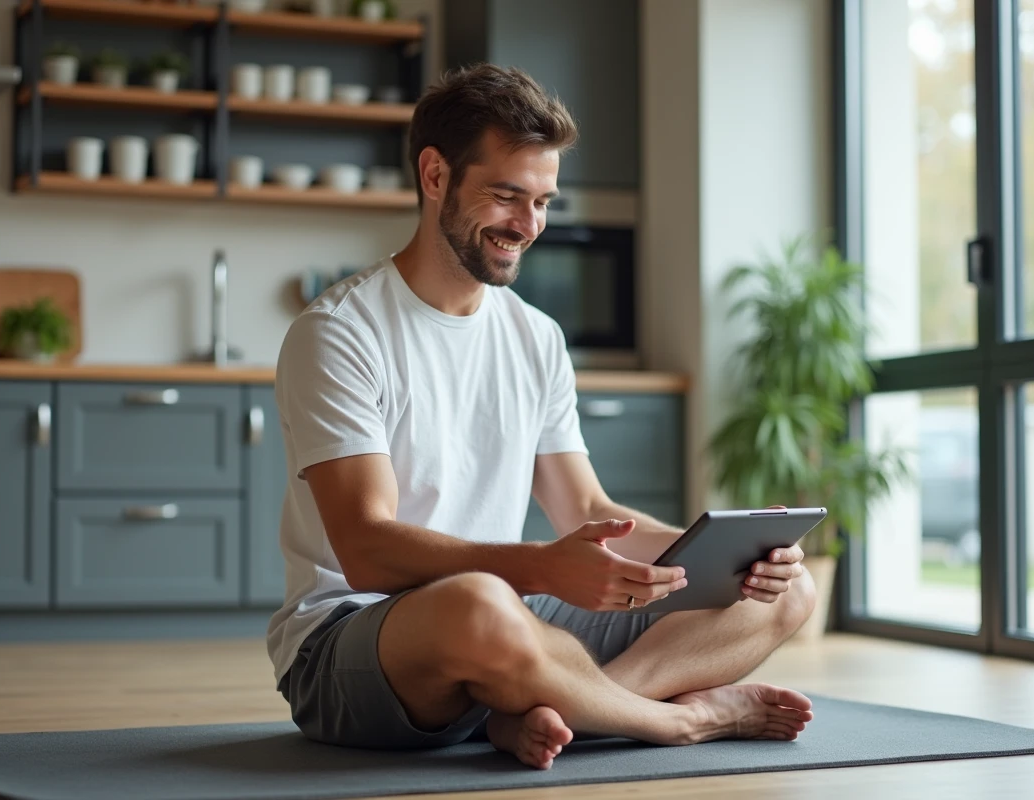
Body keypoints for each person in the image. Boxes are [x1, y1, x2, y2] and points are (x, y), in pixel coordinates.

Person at [267, 63, 816, 771]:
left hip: (516, 619)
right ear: (435, 176)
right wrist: (541, 571)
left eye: (543, 201)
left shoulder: (534, 336)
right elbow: (366, 549)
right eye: (506, 197)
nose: (529, 226)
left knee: (787, 588)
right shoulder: (340, 332)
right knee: (479, 605)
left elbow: (585, 508)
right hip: (358, 640)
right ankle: (671, 723)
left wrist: (718, 555)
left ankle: (556, 712)